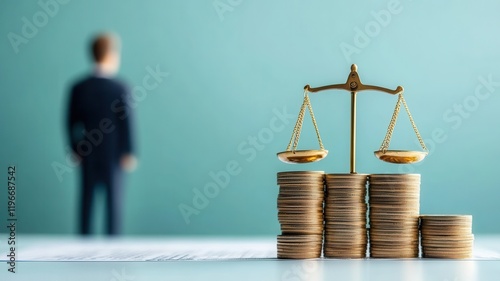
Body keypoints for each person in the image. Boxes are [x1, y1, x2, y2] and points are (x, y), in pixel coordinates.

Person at [66, 33, 137, 235]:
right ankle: (112, 244)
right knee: (114, 203)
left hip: (87, 153)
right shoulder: (120, 88)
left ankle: (83, 240)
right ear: (112, 55)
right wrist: (129, 151)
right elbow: (127, 123)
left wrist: (74, 148)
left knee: (86, 200)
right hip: (113, 154)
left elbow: (70, 122)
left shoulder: (78, 88)